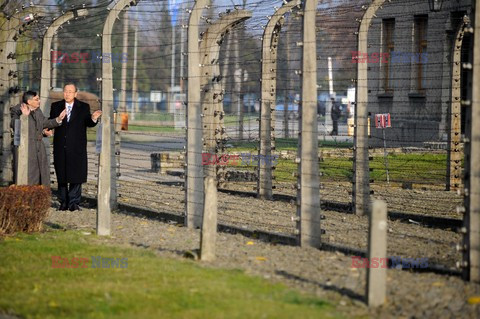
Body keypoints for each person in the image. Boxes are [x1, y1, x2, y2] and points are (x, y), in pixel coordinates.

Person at [49, 83, 102, 211]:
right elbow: (51, 122)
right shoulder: (56, 106)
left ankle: (74, 203)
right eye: (65, 91)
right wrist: (52, 125)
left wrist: (93, 118)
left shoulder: (83, 107)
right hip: (61, 145)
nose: (67, 94)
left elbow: (88, 123)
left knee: (76, 175)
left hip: (76, 146)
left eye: (70, 91)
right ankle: (63, 202)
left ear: (75, 93)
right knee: (62, 175)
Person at [10, 91, 66, 186]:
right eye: (36, 99)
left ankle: (39, 198)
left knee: (41, 177)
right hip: (25, 151)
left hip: (39, 149)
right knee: (27, 179)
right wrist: (24, 116)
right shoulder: (17, 110)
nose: (39, 101)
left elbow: (44, 122)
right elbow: (16, 126)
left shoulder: (37, 111)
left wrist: (58, 119)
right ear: (29, 101)